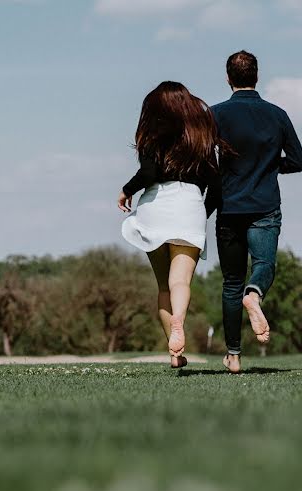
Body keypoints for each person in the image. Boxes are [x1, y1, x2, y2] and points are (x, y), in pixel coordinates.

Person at [211, 50, 302, 373]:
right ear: (257, 76)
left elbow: (203, 161)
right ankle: (256, 294)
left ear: (228, 78)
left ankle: (234, 356)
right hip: (265, 205)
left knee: (231, 283)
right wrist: (270, 166)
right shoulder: (277, 114)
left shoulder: (215, 115)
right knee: (264, 265)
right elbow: (298, 161)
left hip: (229, 207)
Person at [118, 81, 223, 369]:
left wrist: (128, 189)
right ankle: (179, 319)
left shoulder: (152, 134)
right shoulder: (202, 135)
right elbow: (215, 186)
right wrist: (201, 213)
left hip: (156, 206)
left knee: (163, 286)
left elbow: (149, 173)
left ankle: (175, 354)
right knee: (180, 282)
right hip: (190, 206)